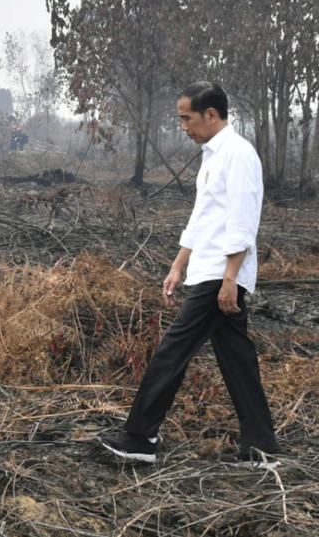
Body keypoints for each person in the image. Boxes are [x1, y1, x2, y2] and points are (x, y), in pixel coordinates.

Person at [100, 82, 277, 465]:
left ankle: (140, 438)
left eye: (187, 118)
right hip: (207, 269)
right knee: (236, 358)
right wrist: (178, 265)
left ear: (211, 114)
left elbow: (243, 222)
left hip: (220, 274)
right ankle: (261, 447)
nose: (183, 126)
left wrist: (230, 278)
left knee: (173, 349)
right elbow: (203, 218)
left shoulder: (239, 154)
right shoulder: (212, 156)